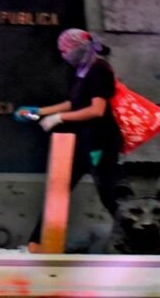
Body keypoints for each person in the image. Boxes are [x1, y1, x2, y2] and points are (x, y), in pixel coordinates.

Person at [9, 29, 124, 254]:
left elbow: (97, 110)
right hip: (83, 142)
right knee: (58, 190)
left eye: (65, 50)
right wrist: (39, 112)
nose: (63, 55)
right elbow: (74, 103)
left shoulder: (100, 69)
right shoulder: (82, 70)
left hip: (100, 144)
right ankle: (36, 246)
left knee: (109, 195)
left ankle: (136, 238)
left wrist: (58, 119)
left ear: (79, 48)